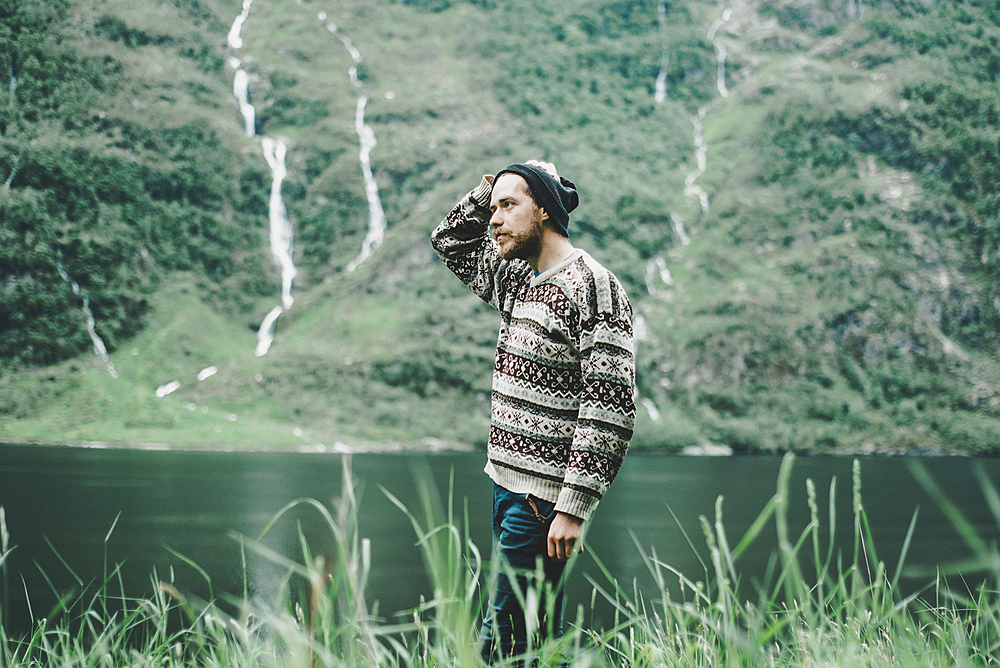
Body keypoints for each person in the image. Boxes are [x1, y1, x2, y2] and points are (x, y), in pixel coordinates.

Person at [430, 160, 636, 663]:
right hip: (505, 487)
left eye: (508, 205)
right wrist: (491, 185)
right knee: (538, 642)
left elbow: (610, 406)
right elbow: (449, 239)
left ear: (544, 210)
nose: (493, 219)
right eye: (493, 207)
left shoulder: (593, 287)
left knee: (495, 648)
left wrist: (572, 507)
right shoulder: (518, 281)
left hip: (541, 504)